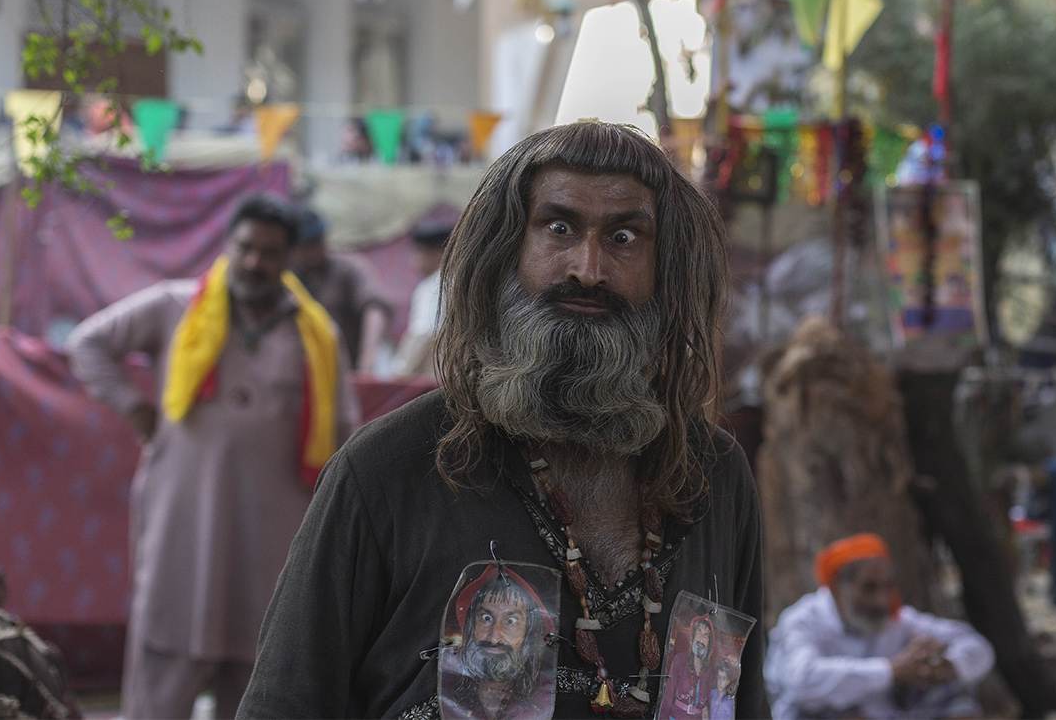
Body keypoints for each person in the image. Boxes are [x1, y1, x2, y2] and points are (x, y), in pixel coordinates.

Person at [238, 120, 768, 719]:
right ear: (506, 252)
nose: (588, 269)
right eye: (560, 228)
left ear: (664, 268)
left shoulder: (715, 478)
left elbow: (746, 703)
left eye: (624, 236)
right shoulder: (387, 471)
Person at [67, 193, 361, 720]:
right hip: (184, 537)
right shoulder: (173, 307)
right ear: (228, 246)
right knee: (161, 675)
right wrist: (135, 408)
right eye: (245, 247)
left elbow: (343, 435)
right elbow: (87, 344)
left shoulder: (318, 336)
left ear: (289, 258)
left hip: (268, 546)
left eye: (270, 252)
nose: (254, 262)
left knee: (258, 680)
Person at [765, 533, 994, 720]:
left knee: (956, 690)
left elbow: (976, 645)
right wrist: (891, 671)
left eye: (887, 586)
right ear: (836, 588)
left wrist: (947, 665)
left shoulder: (895, 619)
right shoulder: (802, 621)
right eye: (869, 588)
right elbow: (801, 681)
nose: (881, 599)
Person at [441, 565, 555, 720]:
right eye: (486, 618)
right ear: (471, 626)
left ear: (529, 633)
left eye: (511, 621)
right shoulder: (446, 683)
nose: (494, 638)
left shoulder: (545, 693)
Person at [289, 204, 392, 373]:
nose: (314, 250)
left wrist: (367, 360)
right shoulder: (286, 275)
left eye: (318, 241)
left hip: (346, 371)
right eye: (307, 245)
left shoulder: (346, 267)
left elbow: (375, 308)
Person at [394, 202, 461, 377]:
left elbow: (424, 332)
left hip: (437, 378)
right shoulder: (460, 281)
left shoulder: (434, 285)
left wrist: (400, 372)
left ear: (439, 253)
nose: (414, 261)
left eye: (419, 253)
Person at [661, 615, 716, 720]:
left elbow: (709, 704)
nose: (700, 640)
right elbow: (668, 696)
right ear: (693, 636)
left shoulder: (709, 671)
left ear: (709, 643)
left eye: (705, 636)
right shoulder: (680, 660)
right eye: (699, 633)